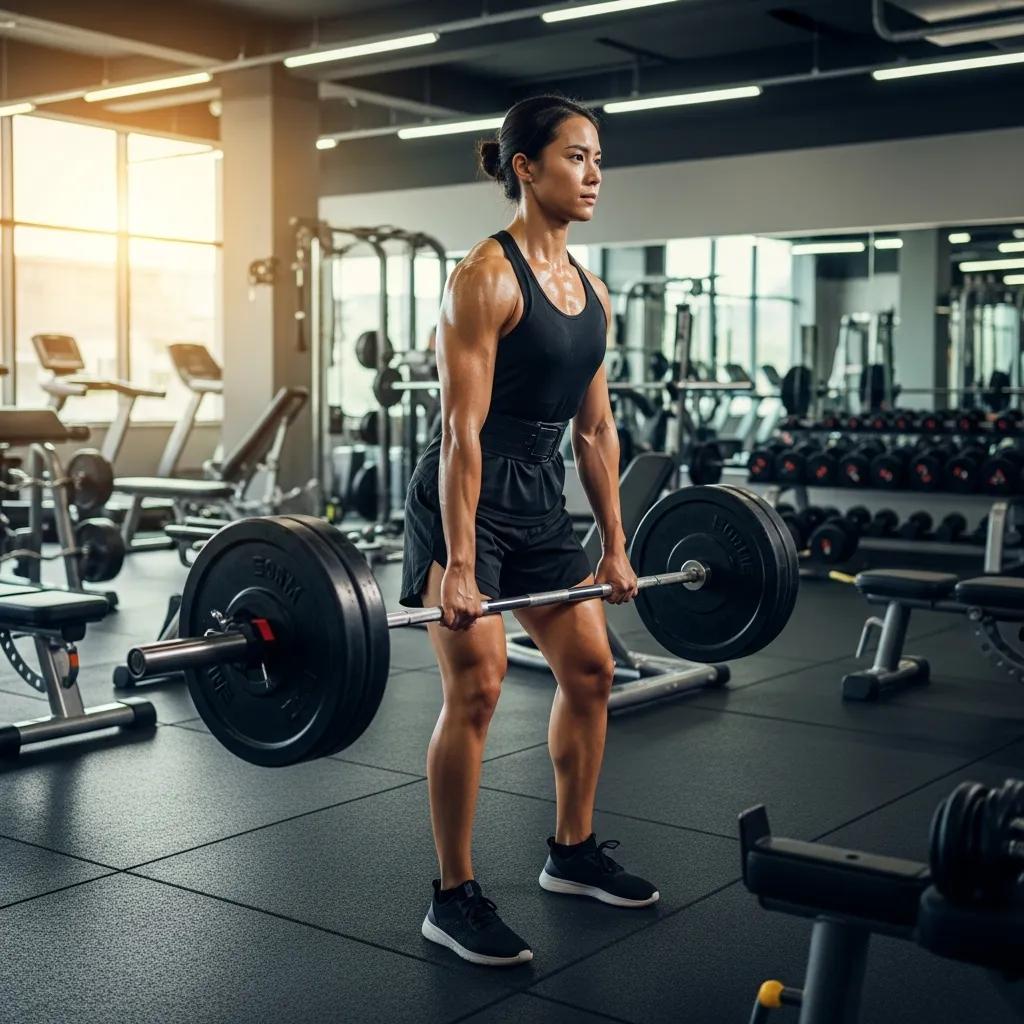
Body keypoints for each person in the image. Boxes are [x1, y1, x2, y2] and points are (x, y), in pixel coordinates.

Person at [400, 95, 658, 969]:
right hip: (463, 500)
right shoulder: (484, 276)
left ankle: (572, 853)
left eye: (598, 160)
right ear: (526, 167)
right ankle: (453, 895)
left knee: (592, 669)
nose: (593, 175)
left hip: (540, 497)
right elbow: (460, 434)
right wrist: (463, 566)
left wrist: (616, 545)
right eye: (577, 157)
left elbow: (595, 430)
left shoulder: (591, 293)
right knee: (476, 690)